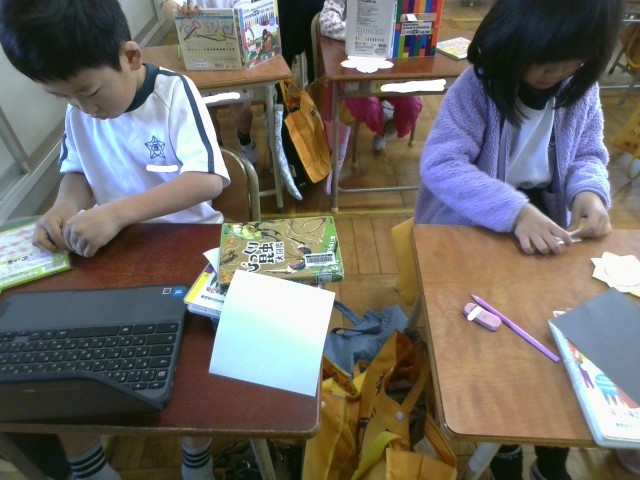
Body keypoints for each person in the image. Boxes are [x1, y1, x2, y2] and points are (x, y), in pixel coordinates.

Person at [0, 1, 230, 479]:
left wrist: (117, 213)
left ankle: (196, 454)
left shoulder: (174, 94)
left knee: (193, 368)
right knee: (58, 354)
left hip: (189, 249)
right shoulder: (80, 110)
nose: (85, 109)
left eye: (89, 92)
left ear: (131, 56)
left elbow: (207, 178)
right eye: (62, 97)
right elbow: (76, 171)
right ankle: (88, 465)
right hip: (117, 255)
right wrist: (64, 207)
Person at [413, 0, 623, 478]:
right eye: (545, 61)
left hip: (545, 224)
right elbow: (441, 165)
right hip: (468, 225)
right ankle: (504, 442)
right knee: (501, 343)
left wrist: (589, 193)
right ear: (513, 41)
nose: (557, 72)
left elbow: (588, 154)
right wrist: (514, 211)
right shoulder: (477, 87)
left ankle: (550, 457)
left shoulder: (579, 88)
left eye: (572, 61)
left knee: (561, 337)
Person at [163, 0, 259, 166]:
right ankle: (217, 148)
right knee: (206, 111)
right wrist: (179, 10)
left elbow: (245, 8)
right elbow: (167, 7)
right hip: (198, 56)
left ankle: (244, 139)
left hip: (233, 55)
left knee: (241, 109)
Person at [318, 0, 423, 152]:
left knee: (411, 103)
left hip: (390, 65)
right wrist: (363, 33)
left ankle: (386, 128)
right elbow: (326, 23)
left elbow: (412, 20)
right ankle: (383, 125)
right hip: (352, 66)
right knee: (366, 105)